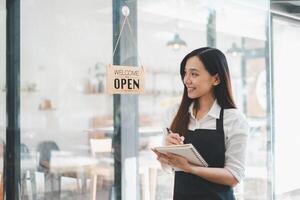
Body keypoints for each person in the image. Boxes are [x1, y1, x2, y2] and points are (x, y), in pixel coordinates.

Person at [153, 47, 249, 200]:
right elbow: (168, 168)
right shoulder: (173, 113)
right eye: (185, 73)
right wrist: (166, 153)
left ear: (216, 79)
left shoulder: (234, 119)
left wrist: (190, 168)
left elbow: (234, 176)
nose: (186, 80)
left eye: (194, 74)